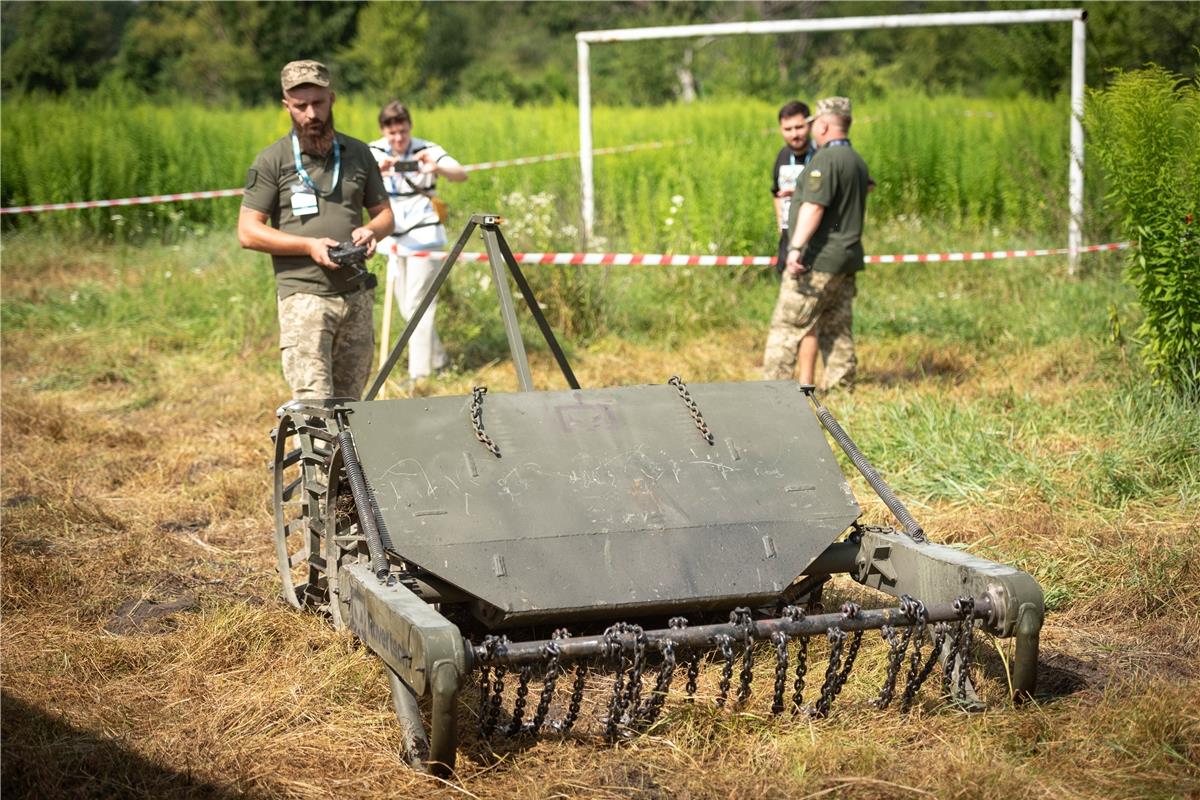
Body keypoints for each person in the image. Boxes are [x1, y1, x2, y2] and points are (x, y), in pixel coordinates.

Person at [238, 60, 393, 403]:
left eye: (318, 103)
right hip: (304, 298)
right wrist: (308, 246)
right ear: (286, 107)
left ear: (332, 98)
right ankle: (316, 460)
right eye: (301, 106)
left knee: (353, 409)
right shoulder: (272, 161)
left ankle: (344, 461)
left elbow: (385, 216)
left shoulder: (358, 153)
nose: (311, 114)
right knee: (316, 407)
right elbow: (248, 232)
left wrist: (371, 231)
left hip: (356, 296)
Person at [762, 96, 870, 392]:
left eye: (810, 125)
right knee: (836, 328)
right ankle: (842, 390)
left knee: (787, 327)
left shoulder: (825, 159)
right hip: (846, 258)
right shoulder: (856, 161)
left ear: (822, 124)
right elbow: (841, 207)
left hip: (819, 259)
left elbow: (815, 206)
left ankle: (771, 396)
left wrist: (795, 247)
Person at [369, 101, 467, 384]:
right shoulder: (374, 150)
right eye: (392, 134)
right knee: (406, 305)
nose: (398, 139)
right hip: (393, 236)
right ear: (383, 131)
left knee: (419, 304)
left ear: (410, 127)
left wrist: (436, 167)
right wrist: (379, 169)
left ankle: (419, 375)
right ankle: (439, 360)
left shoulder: (428, 148)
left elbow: (461, 174)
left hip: (425, 235)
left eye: (403, 131)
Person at [771, 100, 815, 274]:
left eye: (799, 127)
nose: (794, 134)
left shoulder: (822, 155)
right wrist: (780, 224)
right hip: (788, 236)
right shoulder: (782, 155)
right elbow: (775, 192)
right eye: (788, 129)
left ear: (809, 125)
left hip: (817, 238)